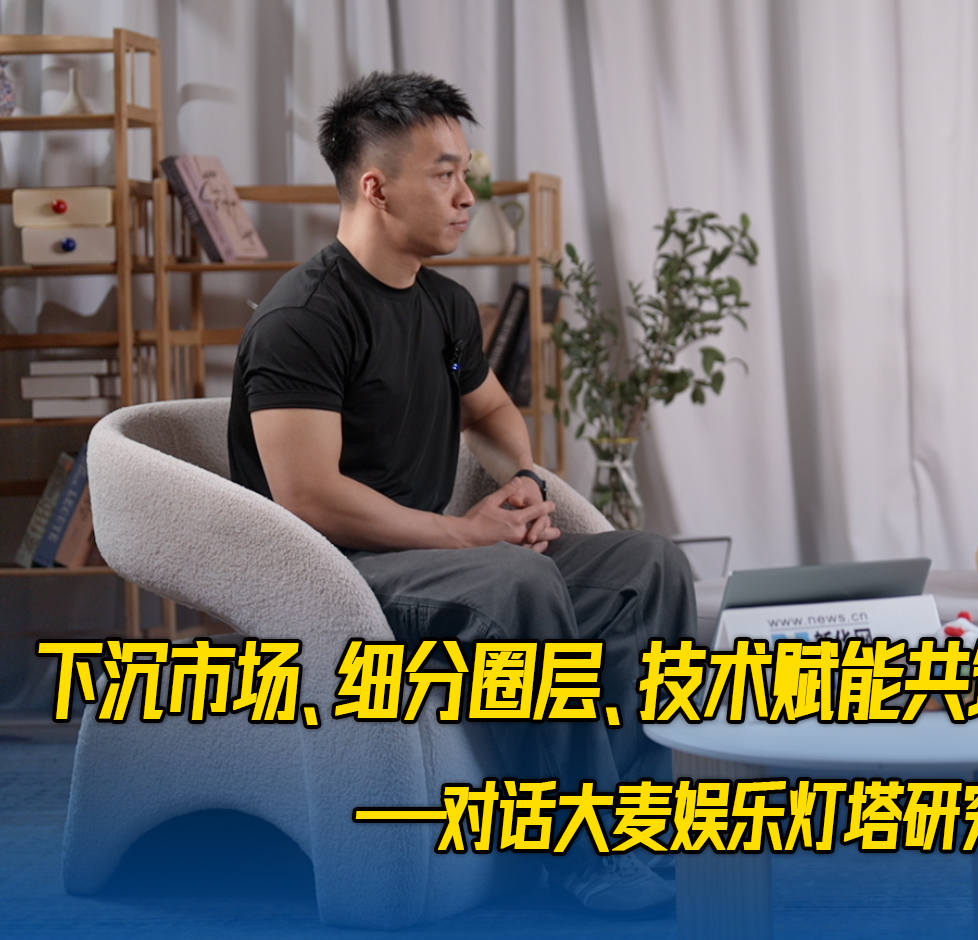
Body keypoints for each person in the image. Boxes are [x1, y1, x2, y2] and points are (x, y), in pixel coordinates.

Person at [227, 71, 690, 915]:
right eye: (444, 174)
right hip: (337, 577)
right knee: (514, 579)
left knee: (648, 564)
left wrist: (523, 482)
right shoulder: (305, 317)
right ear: (376, 187)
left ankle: (640, 818)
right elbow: (307, 498)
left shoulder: (443, 305)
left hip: (426, 559)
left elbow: (493, 411)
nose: (467, 195)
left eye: (465, 172)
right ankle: (580, 854)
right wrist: (466, 536)